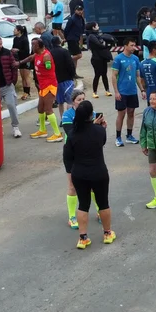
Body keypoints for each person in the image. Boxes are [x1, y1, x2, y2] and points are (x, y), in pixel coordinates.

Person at [61, 101, 115, 249]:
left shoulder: (72, 134)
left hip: (79, 173)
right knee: (103, 202)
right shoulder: (99, 131)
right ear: (91, 115)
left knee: (83, 205)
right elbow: (101, 142)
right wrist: (100, 127)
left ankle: (83, 238)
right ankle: (107, 233)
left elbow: (68, 156)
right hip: (98, 172)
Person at [61, 89, 98, 228]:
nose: (82, 102)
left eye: (83, 99)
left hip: (88, 152)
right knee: (72, 186)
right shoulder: (67, 115)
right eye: (79, 100)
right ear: (73, 102)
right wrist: (93, 127)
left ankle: (100, 210)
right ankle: (72, 216)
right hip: (71, 154)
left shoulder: (92, 113)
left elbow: (97, 133)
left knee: (94, 185)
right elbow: (71, 134)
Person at [21, 37, 63, 142]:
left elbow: (49, 67)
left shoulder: (46, 55)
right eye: (32, 44)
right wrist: (19, 63)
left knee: (48, 109)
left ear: (39, 46)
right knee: (40, 108)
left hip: (50, 86)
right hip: (43, 86)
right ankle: (42, 130)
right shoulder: (37, 54)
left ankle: (57, 134)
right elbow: (30, 58)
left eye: (33, 45)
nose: (32, 46)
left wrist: (48, 64)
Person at [110, 39, 141, 147]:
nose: (134, 47)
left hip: (132, 91)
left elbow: (137, 76)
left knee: (131, 113)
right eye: (132, 45)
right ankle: (118, 137)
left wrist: (142, 90)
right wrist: (116, 92)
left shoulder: (136, 59)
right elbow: (114, 75)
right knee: (121, 114)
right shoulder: (118, 59)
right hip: (122, 92)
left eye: (135, 45)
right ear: (125, 46)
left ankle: (129, 135)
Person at [0, 35, 22, 138]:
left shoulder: (7, 52)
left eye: (1, 43)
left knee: (11, 106)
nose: (0, 46)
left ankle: (15, 127)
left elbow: (14, 66)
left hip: (7, 85)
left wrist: (13, 80)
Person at [85, 21, 114, 98]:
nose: (98, 27)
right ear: (93, 27)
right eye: (97, 26)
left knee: (104, 74)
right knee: (97, 75)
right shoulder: (91, 36)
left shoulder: (97, 35)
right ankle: (94, 92)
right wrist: (103, 43)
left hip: (102, 58)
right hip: (96, 59)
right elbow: (99, 44)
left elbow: (103, 44)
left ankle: (107, 90)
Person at [50, 37, 77, 120]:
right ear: (59, 42)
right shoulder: (64, 51)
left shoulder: (50, 53)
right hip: (67, 79)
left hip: (56, 80)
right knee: (70, 100)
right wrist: (73, 75)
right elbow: (70, 64)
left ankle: (63, 119)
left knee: (60, 102)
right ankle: (70, 118)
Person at [13, 24, 33, 100]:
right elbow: (13, 47)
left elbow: (26, 51)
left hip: (25, 59)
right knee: (22, 77)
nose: (13, 31)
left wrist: (18, 50)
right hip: (19, 60)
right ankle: (25, 92)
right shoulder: (15, 39)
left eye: (15, 30)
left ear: (19, 31)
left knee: (26, 76)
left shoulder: (24, 39)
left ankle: (28, 92)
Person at [63, 4, 85, 68]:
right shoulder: (72, 19)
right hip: (72, 39)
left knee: (75, 57)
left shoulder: (80, 18)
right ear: (75, 11)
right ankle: (66, 60)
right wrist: (66, 38)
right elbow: (66, 29)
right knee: (79, 55)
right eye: (78, 10)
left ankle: (74, 73)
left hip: (76, 39)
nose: (80, 11)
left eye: (81, 10)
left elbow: (82, 28)